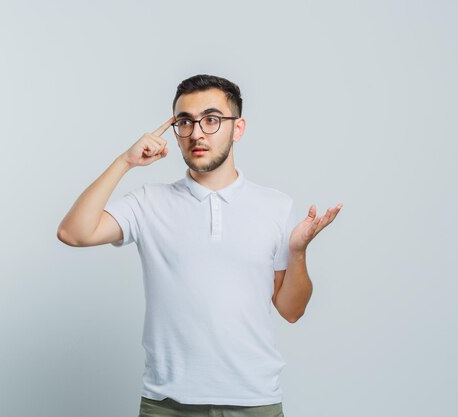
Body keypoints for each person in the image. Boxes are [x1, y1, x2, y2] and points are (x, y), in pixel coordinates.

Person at [57, 74, 342, 417]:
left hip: (254, 402)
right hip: (166, 405)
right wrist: (125, 162)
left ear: (237, 128)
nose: (197, 133)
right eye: (184, 122)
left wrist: (298, 253)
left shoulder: (276, 206)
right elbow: (74, 233)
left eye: (211, 120)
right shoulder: (150, 202)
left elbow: (291, 311)